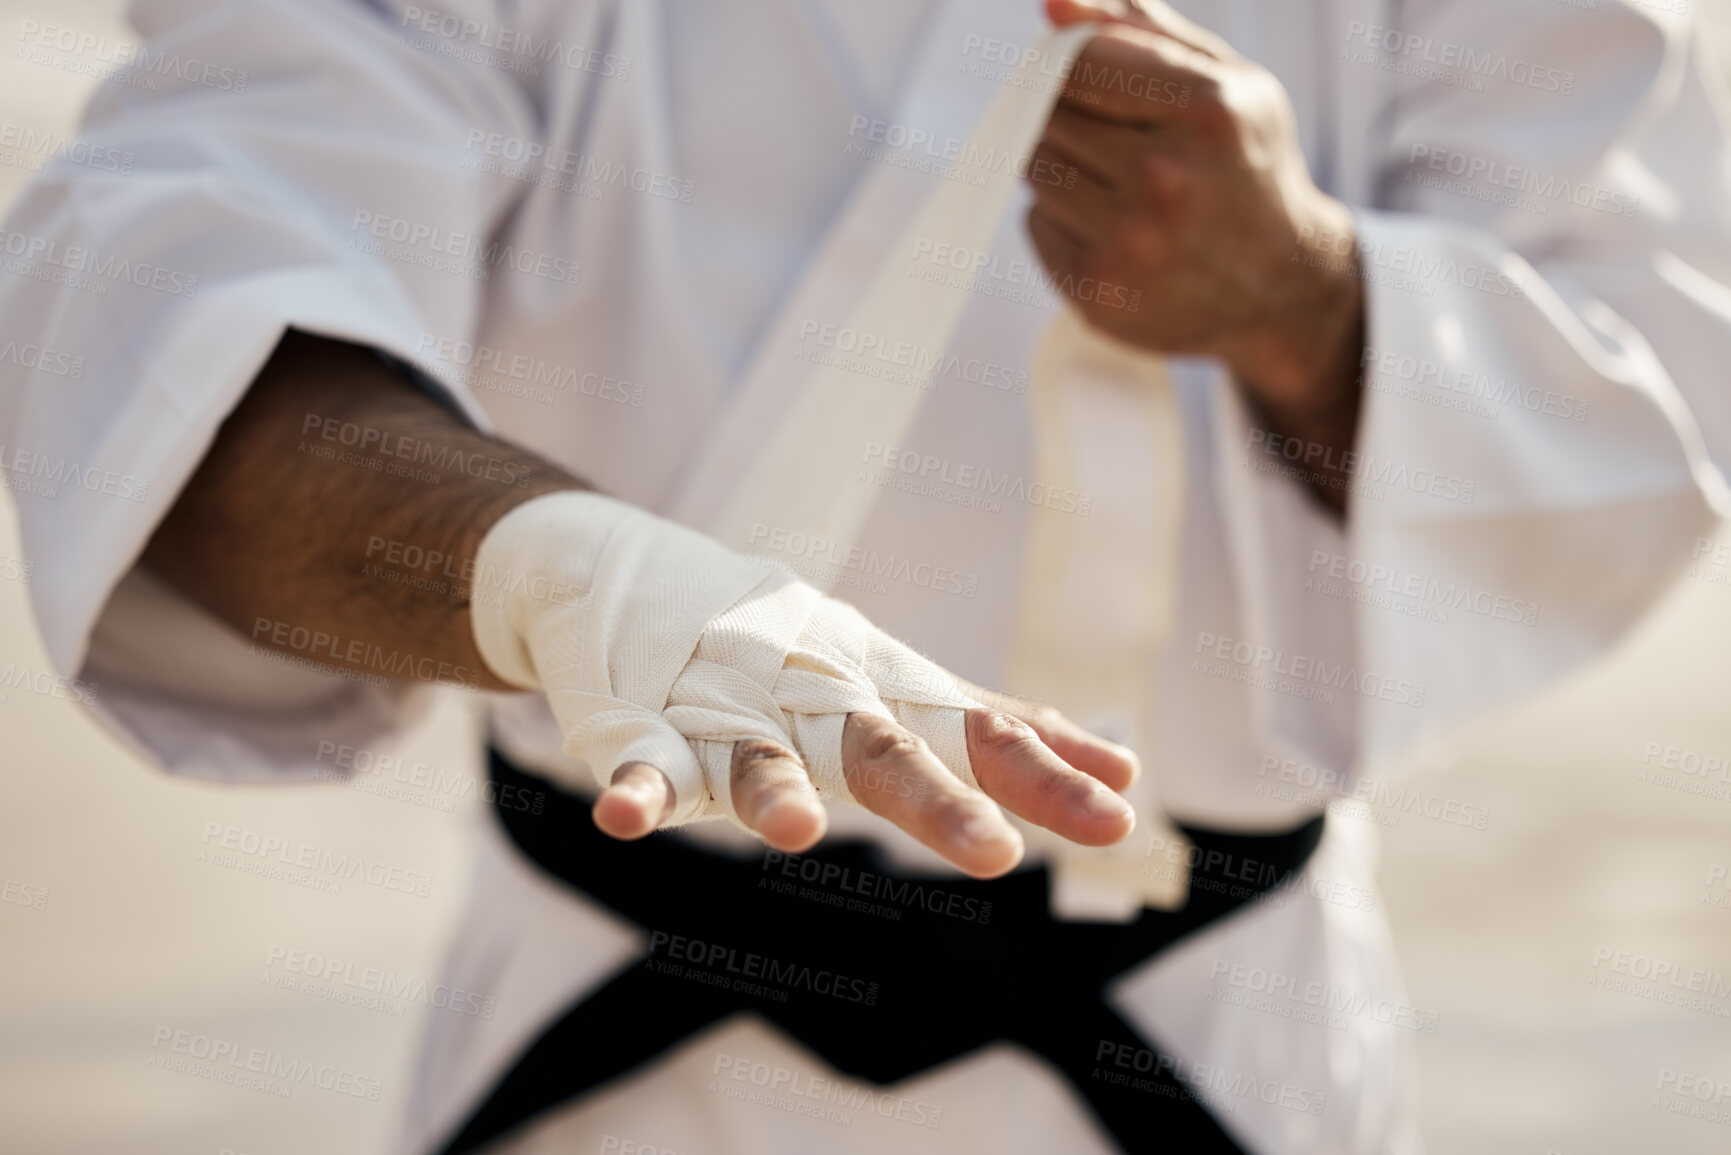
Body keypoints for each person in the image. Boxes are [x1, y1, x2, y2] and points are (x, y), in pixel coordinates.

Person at [2, 0, 1727, 1151]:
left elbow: (1657, 393)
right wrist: (575, 583)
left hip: (1210, 1043)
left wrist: (1309, 304)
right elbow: (175, 327)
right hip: (605, 1022)